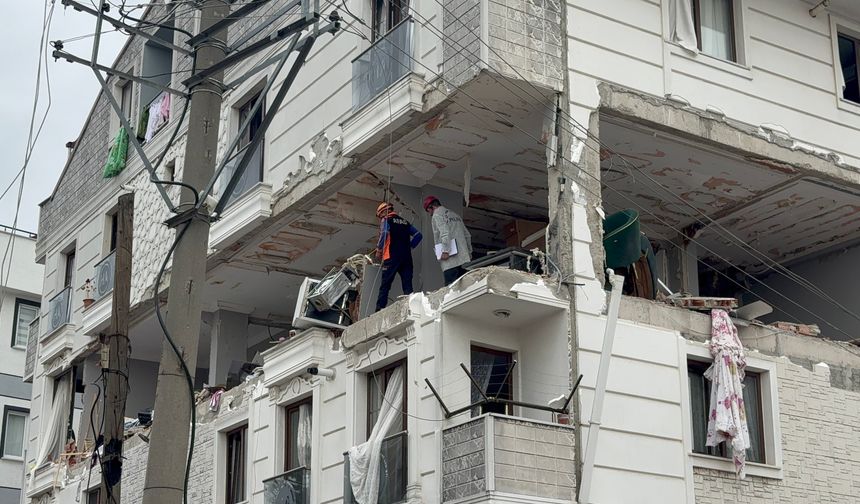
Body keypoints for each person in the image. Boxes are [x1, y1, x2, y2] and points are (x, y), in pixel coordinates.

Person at [375, 202, 422, 311]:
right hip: (406, 258)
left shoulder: (386, 220)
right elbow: (418, 235)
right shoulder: (405, 222)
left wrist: (379, 249)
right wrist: (410, 246)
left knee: (385, 285)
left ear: (384, 211)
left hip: (391, 257)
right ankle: (411, 308)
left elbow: (385, 233)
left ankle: (379, 309)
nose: (380, 218)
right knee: (407, 285)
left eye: (380, 215)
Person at [423, 196, 473, 286]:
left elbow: (445, 233)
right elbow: (467, 235)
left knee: (450, 289)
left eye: (428, 210)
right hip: (464, 258)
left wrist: (445, 251)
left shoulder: (437, 215)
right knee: (464, 287)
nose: (429, 213)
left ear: (431, 206)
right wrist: (469, 252)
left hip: (451, 260)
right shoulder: (455, 215)